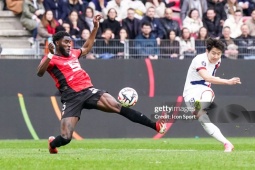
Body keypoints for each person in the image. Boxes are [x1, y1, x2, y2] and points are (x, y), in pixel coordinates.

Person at [37, 15, 166, 154]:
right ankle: (52, 144)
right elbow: (39, 72)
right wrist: (49, 55)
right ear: (57, 43)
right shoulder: (52, 59)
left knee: (117, 106)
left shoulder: (73, 53)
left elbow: (86, 47)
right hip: (71, 97)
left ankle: (155, 126)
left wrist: (95, 28)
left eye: (70, 42)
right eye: (66, 42)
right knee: (66, 137)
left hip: (88, 91)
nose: (69, 45)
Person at [183, 38, 241, 152]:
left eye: (219, 54)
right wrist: (227, 81)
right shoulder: (199, 59)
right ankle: (199, 108)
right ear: (207, 51)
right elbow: (207, 77)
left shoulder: (218, 61)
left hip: (204, 89)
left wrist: (217, 79)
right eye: (213, 53)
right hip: (190, 92)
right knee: (203, 119)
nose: (216, 56)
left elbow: (208, 80)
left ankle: (227, 144)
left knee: (207, 95)